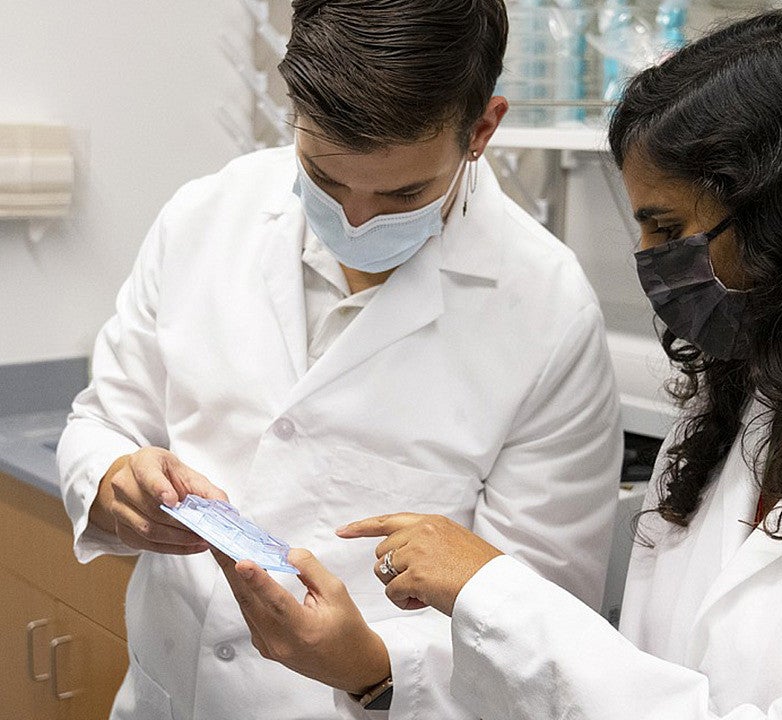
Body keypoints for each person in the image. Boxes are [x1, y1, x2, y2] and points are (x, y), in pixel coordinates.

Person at [215, 7, 782, 720]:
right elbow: (641, 691)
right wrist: (378, 671)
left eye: (669, 228)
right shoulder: (749, 418)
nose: (653, 262)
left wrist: (495, 591)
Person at [55, 1, 623, 718]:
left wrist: (371, 670)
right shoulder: (206, 216)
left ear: (481, 131)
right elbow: (102, 419)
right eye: (324, 179)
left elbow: (542, 627)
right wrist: (112, 484)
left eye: (403, 193)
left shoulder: (548, 310)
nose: (356, 218)